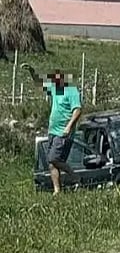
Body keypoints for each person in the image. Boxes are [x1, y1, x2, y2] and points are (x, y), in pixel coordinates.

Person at [21, 64, 82, 194]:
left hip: (64, 132)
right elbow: (40, 84)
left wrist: (68, 127)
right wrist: (32, 71)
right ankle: (57, 191)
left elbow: (77, 110)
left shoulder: (72, 91)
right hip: (53, 131)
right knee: (52, 164)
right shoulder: (55, 89)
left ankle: (75, 177)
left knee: (53, 159)